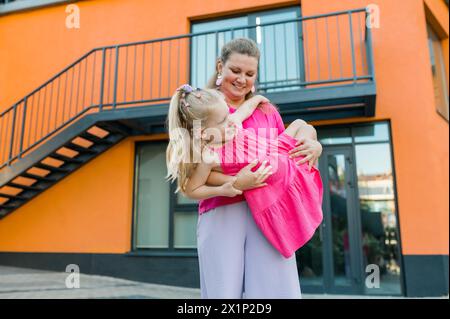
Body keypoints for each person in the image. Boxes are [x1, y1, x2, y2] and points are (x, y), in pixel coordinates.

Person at [174, 38, 322, 299]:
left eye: (249, 73)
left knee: (275, 290)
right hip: (223, 210)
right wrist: (237, 181)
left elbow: (283, 152)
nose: (242, 79)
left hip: (271, 210)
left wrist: (313, 143)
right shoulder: (202, 108)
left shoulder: (266, 111)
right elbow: (193, 170)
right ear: (220, 66)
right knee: (224, 293)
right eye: (235, 70)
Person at [166, 84, 323, 260]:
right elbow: (191, 188)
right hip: (273, 174)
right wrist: (224, 188)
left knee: (302, 125)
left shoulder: (231, 124)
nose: (231, 120)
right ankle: (305, 177)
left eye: (228, 114)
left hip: (276, 150)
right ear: (203, 133)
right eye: (223, 120)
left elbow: (245, 110)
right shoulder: (209, 156)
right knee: (304, 134)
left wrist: (257, 99)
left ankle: (306, 168)